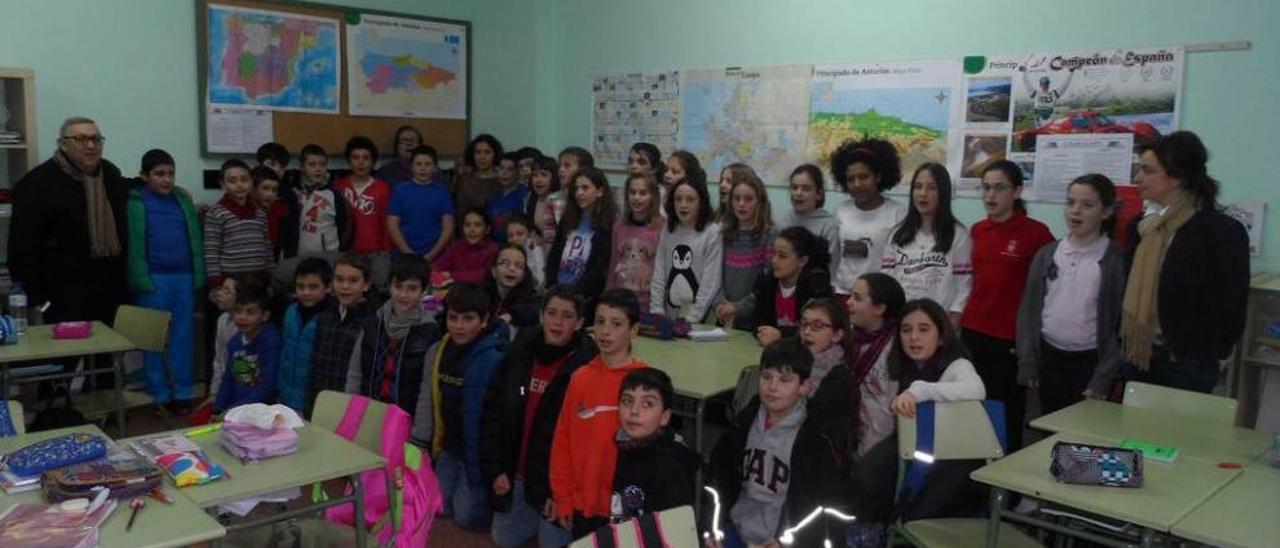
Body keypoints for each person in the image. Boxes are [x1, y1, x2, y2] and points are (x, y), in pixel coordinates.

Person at [1122, 131, 1249, 393]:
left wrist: (1213, 350)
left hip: (1189, 363)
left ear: (1177, 177)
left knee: (1177, 434)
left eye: (1147, 170)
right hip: (1140, 355)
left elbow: (1233, 301)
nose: (1137, 178)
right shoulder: (1143, 228)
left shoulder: (1220, 231)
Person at [481, 285, 598, 548]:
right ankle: (531, 511)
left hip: (556, 481)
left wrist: (563, 494)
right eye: (552, 313)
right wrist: (497, 469)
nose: (557, 322)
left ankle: (549, 516)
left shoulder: (586, 366)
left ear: (579, 323)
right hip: (519, 473)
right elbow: (493, 411)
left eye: (567, 316)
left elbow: (585, 446)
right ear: (541, 316)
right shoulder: (520, 349)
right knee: (503, 537)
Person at [707, 338, 849, 548]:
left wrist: (789, 542)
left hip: (783, 539)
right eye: (766, 377)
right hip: (736, 530)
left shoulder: (816, 437)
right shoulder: (744, 422)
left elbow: (823, 505)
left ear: (803, 386)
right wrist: (714, 528)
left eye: (784, 380)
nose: (772, 387)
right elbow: (719, 481)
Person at [960, 160, 1053, 450]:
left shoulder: (1035, 233)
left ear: (1017, 191)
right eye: (986, 188)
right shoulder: (977, 230)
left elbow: (1050, 285)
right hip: (972, 332)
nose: (991, 195)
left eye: (999, 188)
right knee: (972, 408)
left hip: (1009, 339)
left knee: (1006, 413)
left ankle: (1005, 491)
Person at [1017, 174, 1127, 415]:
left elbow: (1121, 328)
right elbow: (1029, 311)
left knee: (1083, 436)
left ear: (1106, 211)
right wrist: (1029, 362)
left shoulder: (1115, 260)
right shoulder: (1047, 254)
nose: (1075, 211)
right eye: (1070, 203)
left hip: (1090, 363)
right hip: (1050, 359)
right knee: (1049, 429)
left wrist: (1103, 378)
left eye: (1087, 205)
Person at [9, 116, 129, 326]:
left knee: (106, 355)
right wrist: (38, 300)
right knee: (65, 357)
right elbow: (22, 249)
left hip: (108, 291)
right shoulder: (36, 185)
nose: (91, 145)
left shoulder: (111, 176)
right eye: (81, 139)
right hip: (59, 296)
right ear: (63, 145)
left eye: (96, 139)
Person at [550, 289, 649, 538]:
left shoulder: (645, 382)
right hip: (584, 503)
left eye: (616, 324)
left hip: (624, 506)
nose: (605, 331)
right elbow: (562, 440)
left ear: (634, 330)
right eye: (600, 322)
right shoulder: (580, 378)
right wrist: (562, 496)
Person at [415, 283, 511, 530]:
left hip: (476, 453)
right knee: (439, 506)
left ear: (484, 320)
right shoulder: (440, 349)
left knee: (466, 518)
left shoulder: (494, 357)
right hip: (449, 445)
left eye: (468, 319)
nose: (459, 326)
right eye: (453, 318)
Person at [888, 299, 987, 521]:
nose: (914, 337)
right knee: (868, 478)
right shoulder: (901, 365)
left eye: (924, 329)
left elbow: (977, 389)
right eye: (906, 330)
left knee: (916, 517)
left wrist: (920, 391)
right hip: (916, 449)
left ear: (942, 336)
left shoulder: (957, 365)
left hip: (957, 459)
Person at [126, 149, 204, 415]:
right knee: (153, 340)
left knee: (183, 336)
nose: (166, 179)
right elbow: (134, 246)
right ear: (144, 176)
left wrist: (198, 275)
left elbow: (194, 239)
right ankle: (159, 393)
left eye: (170, 174)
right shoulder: (136, 202)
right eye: (159, 174)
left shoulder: (182, 200)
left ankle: (182, 393)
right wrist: (140, 278)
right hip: (153, 280)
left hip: (183, 277)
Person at [345, 255, 442, 415]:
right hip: (367, 413)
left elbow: (426, 391)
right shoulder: (372, 324)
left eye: (411, 289)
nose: (403, 295)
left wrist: (419, 436)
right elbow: (355, 375)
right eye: (398, 286)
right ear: (389, 287)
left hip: (405, 419)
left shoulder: (429, 332)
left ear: (423, 291)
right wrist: (352, 413)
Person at [881, 163, 972, 324]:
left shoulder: (958, 235)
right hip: (902, 322)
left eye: (932, 188)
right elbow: (887, 284)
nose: (923, 194)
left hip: (940, 324)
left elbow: (963, 287)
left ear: (943, 193)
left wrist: (949, 329)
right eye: (918, 187)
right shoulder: (897, 235)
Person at [608, 368, 700, 522]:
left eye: (647, 404)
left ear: (664, 417)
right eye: (627, 401)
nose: (634, 411)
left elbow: (672, 533)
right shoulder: (625, 446)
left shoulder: (669, 468)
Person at [830, 138, 907, 300]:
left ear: (878, 176)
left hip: (879, 298)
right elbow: (835, 256)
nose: (857, 184)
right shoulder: (841, 211)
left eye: (863, 177)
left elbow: (902, 263)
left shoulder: (897, 213)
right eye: (851, 179)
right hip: (844, 294)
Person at [305, 252, 376, 418]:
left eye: (353, 280)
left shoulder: (371, 323)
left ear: (366, 285)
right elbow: (315, 367)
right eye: (339, 279)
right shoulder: (325, 317)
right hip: (321, 404)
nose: (345, 286)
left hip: (350, 409)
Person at [650, 174, 721, 323]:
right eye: (678, 199)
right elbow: (659, 272)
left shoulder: (712, 232)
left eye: (690, 199)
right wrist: (656, 310)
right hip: (669, 314)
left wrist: (693, 318)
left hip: (698, 318)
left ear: (701, 202)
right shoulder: (668, 230)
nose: (683, 204)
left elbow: (711, 281)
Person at [715, 166, 774, 331]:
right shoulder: (723, 233)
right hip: (724, 317)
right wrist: (720, 302)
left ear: (759, 202)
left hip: (753, 321)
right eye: (737, 198)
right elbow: (714, 274)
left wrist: (738, 307)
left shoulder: (769, 235)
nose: (741, 204)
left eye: (748, 199)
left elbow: (767, 282)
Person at [752, 226, 833, 346]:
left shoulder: (816, 286)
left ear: (802, 261)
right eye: (774, 254)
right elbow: (758, 323)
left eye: (782, 256)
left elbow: (817, 329)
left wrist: (781, 335)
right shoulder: (767, 282)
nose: (774, 261)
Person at [546, 166, 616, 302]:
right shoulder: (568, 220)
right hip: (558, 289)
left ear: (600, 191)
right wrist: (552, 284)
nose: (579, 193)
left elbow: (599, 267)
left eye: (585, 188)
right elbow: (554, 255)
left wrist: (578, 292)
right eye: (576, 189)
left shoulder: (608, 226)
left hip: (584, 295)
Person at [204, 159, 274, 291]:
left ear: (251, 182)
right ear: (223, 184)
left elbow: (267, 247)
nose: (239, 185)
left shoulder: (260, 214)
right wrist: (216, 282)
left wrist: (271, 275)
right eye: (232, 181)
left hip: (259, 279)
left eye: (244, 179)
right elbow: (211, 252)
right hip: (230, 280)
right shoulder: (216, 213)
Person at [334, 136, 393, 287]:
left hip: (375, 254)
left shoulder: (382, 188)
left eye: (366, 158)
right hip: (346, 254)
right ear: (349, 161)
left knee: (379, 288)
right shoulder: (338, 187)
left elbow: (386, 224)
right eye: (356, 158)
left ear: (373, 162)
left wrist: (386, 252)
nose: (361, 162)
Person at [276, 258, 333, 413]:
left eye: (313, 287)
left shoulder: (330, 318)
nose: (306, 292)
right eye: (301, 287)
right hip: (285, 397)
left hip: (314, 401)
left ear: (328, 287)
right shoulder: (290, 312)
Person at [214, 283, 282, 413]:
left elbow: (267, 387)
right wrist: (218, 409)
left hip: (263, 411)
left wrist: (235, 409)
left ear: (265, 316)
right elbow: (228, 379)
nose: (242, 317)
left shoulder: (271, 342)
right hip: (237, 409)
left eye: (250, 312)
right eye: (238, 311)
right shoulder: (234, 343)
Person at [282, 144, 351, 262]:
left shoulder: (335, 195)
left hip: (328, 257)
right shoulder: (292, 192)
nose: (318, 169)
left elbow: (345, 226)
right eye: (312, 165)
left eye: (322, 164)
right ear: (302, 167)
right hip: (298, 256)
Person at [388, 144, 454, 262]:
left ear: (435, 167)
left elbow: (447, 228)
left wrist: (431, 255)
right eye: (418, 164)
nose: (423, 168)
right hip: (404, 255)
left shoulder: (442, 192)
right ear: (411, 166)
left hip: (435, 255)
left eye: (428, 164)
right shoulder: (400, 191)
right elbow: (392, 225)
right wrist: (408, 253)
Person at [607, 173, 664, 305]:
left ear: (653, 196)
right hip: (620, 301)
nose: (636, 198)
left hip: (648, 303)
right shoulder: (618, 227)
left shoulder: (662, 228)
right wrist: (608, 295)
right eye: (633, 192)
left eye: (643, 193)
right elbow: (613, 264)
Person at [779, 163, 840, 260]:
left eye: (806, 189)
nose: (798, 193)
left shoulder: (828, 225)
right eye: (794, 187)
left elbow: (831, 265)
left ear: (819, 194)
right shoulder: (785, 220)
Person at [434, 208, 500, 286]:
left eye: (477, 225)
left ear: (487, 230)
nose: (471, 230)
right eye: (467, 225)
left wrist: (452, 276)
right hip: (457, 292)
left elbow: (489, 274)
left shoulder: (494, 249)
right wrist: (438, 278)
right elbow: (437, 269)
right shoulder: (457, 246)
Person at [486, 245, 540, 331]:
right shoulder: (481, 294)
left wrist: (511, 315)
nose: (512, 268)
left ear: (523, 275)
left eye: (519, 266)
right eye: (505, 263)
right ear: (494, 271)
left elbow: (536, 310)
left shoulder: (530, 299)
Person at [453, 134, 504, 213]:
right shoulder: (465, 181)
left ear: (495, 154)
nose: (482, 157)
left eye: (487, 152)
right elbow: (460, 210)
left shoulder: (502, 180)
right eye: (478, 152)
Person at [487, 152, 532, 243]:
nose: (504, 173)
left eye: (510, 169)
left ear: (518, 172)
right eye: (501, 168)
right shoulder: (494, 196)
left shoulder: (525, 195)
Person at [525, 155, 563, 249]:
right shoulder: (531, 199)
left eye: (544, 175)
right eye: (535, 175)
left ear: (554, 177)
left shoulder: (559, 201)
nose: (538, 180)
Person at [250, 166, 287, 256]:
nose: (270, 194)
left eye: (274, 190)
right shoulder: (241, 214)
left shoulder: (278, 211)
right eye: (265, 188)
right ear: (252, 189)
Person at [505, 215, 546, 289]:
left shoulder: (537, 252)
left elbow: (540, 281)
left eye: (520, 234)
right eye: (510, 235)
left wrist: (537, 248)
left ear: (530, 235)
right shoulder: (505, 254)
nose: (515, 239)